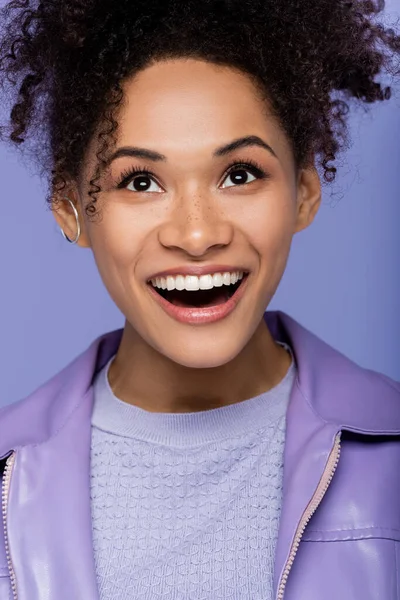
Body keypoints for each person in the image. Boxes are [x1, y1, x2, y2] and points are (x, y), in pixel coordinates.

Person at [0, 0, 399, 598]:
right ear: (71, 210)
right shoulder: (7, 478)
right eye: (140, 181)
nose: (195, 234)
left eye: (239, 174)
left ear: (305, 191)